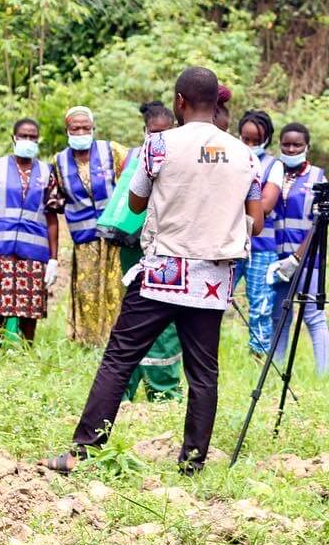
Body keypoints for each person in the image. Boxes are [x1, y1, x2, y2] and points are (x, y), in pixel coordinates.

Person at [43, 67, 262, 475]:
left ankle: (84, 450)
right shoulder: (244, 154)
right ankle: (193, 463)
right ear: (217, 103)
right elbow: (258, 221)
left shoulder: (158, 146)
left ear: (179, 101)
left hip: (162, 273)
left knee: (119, 359)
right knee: (203, 373)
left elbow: (137, 203)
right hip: (211, 281)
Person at [0, 117, 63, 343]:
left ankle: (27, 349)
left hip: (34, 251)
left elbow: (52, 216)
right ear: (14, 138)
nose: (28, 140)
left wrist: (53, 258)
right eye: (23, 136)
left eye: (33, 137)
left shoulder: (47, 172)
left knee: (30, 306)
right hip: (0, 248)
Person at [122, 101, 183, 402]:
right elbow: (127, 204)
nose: (157, 137)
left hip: (168, 246)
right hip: (133, 246)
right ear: (144, 131)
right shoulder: (134, 158)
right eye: (152, 132)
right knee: (134, 316)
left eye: (163, 132)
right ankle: (126, 390)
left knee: (166, 321)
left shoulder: (182, 156)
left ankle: (163, 390)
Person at [55, 106, 127, 346]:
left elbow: (132, 178)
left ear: (94, 128)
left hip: (114, 236)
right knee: (87, 291)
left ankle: (115, 340)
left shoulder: (111, 151)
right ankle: (88, 341)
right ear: (67, 130)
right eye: (76, 128)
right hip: (84, 239)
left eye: (86, 128)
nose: (81, 132)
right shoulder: (59, 162)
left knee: (115, 289)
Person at [269, 121, 329, 373]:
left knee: (313, 316)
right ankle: (275, 370)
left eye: (297, 145)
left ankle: (322, 375)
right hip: (279, 258)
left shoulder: (317, 177)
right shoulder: (274, 174)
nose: (291, 149)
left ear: (307, 147)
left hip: (307, 259)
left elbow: (318, 223)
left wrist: (297, 256)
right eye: (286, 145)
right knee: (279, 315)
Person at [235, 109, 284, 356]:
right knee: (214, 299)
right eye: (246, 139)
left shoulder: (274, 166)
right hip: (230, 244)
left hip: (262, 248)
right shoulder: (230, 157)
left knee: (261, 306)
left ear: (267, 139)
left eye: (257, 141)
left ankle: (259, 357)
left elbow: (265, 206)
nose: (251, 145)